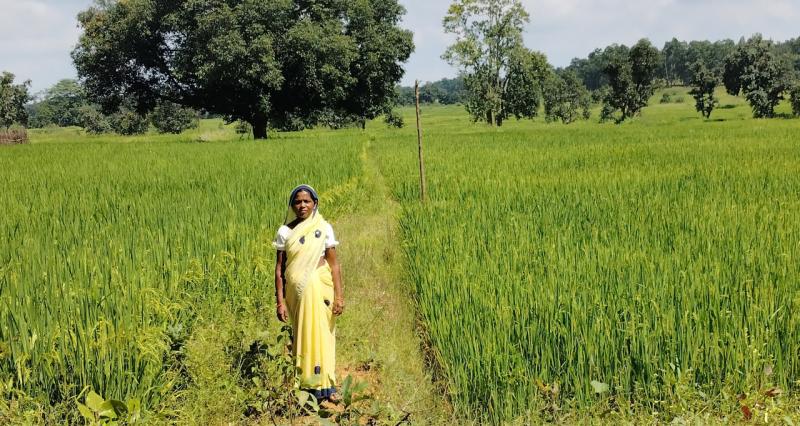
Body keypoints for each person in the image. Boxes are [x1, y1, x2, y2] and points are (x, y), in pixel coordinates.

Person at [273, 184, 344, 401]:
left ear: (315, 204)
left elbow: (334, 265)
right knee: (301, 334)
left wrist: (339, 297)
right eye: (297, 202)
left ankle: (327, 385)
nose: (302, 205)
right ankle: (303, 387)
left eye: (306, 201)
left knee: (323, 334)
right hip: (296, 295)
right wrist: (280, 301)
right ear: (292, 206)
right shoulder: (285, 232)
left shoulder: (323, 228)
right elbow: (279, 270)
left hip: (321, 290)